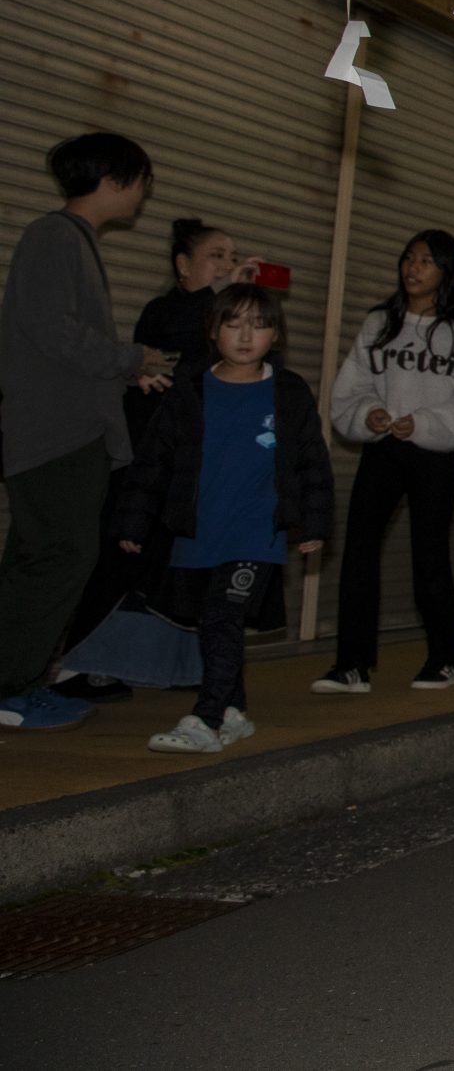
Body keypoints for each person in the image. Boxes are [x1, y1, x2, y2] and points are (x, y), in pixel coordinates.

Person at [58, 217, 266, 703]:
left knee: (185, 571)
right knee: (120, 561)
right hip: (148, 465)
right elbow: (167, 346)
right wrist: (217, 295)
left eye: (233, 257)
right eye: (216, 255)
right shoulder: (165, 312)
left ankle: (178, 666)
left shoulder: (230, 322)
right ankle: (78, 667)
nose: (228, 265)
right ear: (182, 264)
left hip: (202, 467)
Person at [117, 284, 332, 753]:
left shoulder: (288, 391)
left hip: (256, 534)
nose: (244, 335)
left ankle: (206, 718)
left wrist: (314, 524)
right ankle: (234, 711)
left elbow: (311, 461)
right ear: (213, 331)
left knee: (221, 618)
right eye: (233, 323)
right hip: (199, 533)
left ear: (275, 334)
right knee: (212, 625)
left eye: (259, 325)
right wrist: (134, 522)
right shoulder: (191, 388)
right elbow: (155, 459)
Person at [0, 133, 167, 732]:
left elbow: (61, 347)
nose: (144, 195)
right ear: (117, 179)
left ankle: (15, 679)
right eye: (143, 181)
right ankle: (12, 687)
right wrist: (130, 359)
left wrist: (128, 375)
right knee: (60, 556)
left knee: (37, 557)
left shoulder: (70, 240)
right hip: (57, 439)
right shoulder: (55, 237)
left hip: (64, 432)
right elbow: (53, 331)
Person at [317, 230, 454, 693]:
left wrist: (426, 424)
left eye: (426, 262)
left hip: (434, 454)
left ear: (446, 272)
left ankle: (444, 657)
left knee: (429, 553)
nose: (413, 269)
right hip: (382, 449)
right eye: (409, 259)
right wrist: (367, 415)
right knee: (358, 549)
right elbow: (350, 388)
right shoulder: (379, 323)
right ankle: (351, 666)